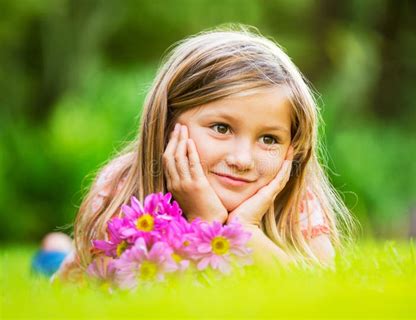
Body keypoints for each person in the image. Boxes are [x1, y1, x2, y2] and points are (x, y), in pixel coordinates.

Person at [45, 24, 356, 283]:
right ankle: (56, 249)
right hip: (72, 267)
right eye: (221, 128)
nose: (242, 159)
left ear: (294, 147)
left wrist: (243, 230)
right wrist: (205, 220)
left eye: (268, 139)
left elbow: (316, 293)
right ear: (167, 122)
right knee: (52, 259)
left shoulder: (297, 202)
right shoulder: (122, 190)